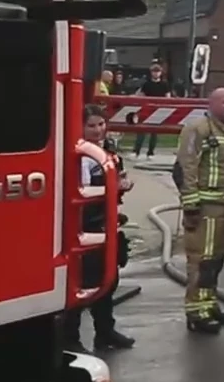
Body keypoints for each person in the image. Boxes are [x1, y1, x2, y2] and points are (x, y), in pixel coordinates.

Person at [174, 87, 224, 334]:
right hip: (205, 209)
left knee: (216, 260)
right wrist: (191, 205)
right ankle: (195, 312)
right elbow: (185, 168)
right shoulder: (198, 130)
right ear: (212, 104)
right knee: (201, 260)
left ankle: (209, 305)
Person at [62, 104, 135, 352]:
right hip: (83, 225)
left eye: (101, 124)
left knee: (108, 279)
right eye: (91, 125)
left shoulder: (109, 151)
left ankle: (105, 332)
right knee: (81, 282)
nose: (97, 130)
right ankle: (70, 339)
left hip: (107, 222)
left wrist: (122, 184)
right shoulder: (78, 154)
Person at [135, 59, 173, 156]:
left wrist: (165, 107)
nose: (156, 74)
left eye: (157, 72)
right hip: (146, 109)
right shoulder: (146, 84)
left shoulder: (165, 84)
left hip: (158, 109)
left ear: (160, 73)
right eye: (154, 72)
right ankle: (137, 150)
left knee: (154, 132)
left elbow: (167, 97)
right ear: (151, 73)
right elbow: (141, 95)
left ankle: (151, 151)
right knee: (142, 130)